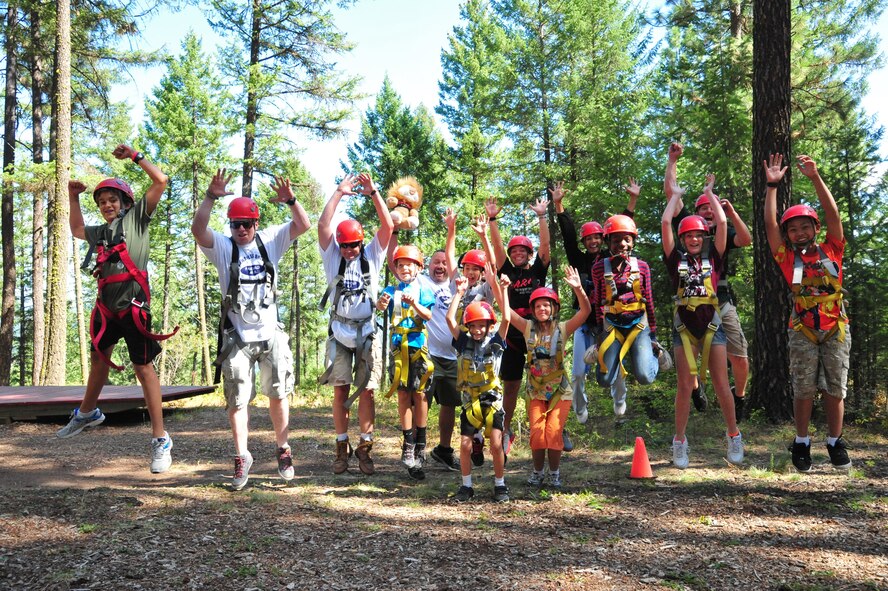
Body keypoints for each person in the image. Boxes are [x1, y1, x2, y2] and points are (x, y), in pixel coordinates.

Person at [58, 144, 176, 474]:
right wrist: (74, 197)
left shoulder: (137, 219)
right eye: (102, 202)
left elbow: (161, 181)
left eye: (112, 200)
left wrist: (136, 156)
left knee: (143, 369)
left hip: (133, 305)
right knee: (99, 361)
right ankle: (87, 413)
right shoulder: (100, 233)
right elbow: (77, 230)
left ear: (125, 202)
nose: (107, 205)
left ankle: (160, 439)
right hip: (106, 307)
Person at [192, 170, 309, 490]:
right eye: (236, 224)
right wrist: (210, 197)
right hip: (238, 335)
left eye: (246, 223)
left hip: (270, 332)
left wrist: (291, 201)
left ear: (256, 224)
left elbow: (303, 225)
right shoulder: (222, 247)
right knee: (237, 399)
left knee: (278, 393)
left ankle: (283, 449)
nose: (241, 229)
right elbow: (198, 230)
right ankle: (242, 456)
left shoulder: (270, 240)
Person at [763, 153, 852, 472]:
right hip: (802, 330)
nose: (799, 233)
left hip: (835, 328)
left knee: (835, 387)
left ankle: (834, 441)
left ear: (815, 228)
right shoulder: (787, 258)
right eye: (794, 230)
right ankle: (801, 442)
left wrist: (815, 177)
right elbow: (770, 225)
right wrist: (772, 186)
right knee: (803, 387)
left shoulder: (832, 249)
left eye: (805, 227)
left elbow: (833, 214)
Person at [665, 143, 752, 420]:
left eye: (710, 210)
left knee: (738, 354)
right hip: (689, 306)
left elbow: (745, 238)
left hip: (720, 303)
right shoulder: (686, 237)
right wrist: (672, 162)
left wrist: (722, 205)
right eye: (702, 209)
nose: (707, 213)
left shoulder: (717, 246)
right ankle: (695, 389)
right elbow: (671, 199)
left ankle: (738, 397)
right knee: (689, 358)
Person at [662, 173, 743, 469]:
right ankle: (680, 441)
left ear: (704, 238)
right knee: (685, 385)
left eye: (698, 235)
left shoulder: (715, 259)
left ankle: (734, 434)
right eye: (689, 236)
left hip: (712, 327)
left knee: (722, 383)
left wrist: (709, 193)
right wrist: (674, 198)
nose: (695, 239)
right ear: (683, 239)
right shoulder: (675, 260)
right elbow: (664, 224)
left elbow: (722, 224)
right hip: (684, 329)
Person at [317, 173, 394, 475]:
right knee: (340, 391)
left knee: (368, 391)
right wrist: (338, 193)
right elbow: (324, 225)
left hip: (366, 333)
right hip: (339, 333)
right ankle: (340, 447)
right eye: (345, 245)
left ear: (362, 243)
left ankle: (365, 447)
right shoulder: (332, 256)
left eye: (354, 245)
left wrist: (373, 192)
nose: (350, 250)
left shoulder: (372, 256)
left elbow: (387, 227)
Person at [551, 179, 646, 422]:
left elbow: (622, 229)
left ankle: (619, 397)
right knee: (579, 370)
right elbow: (568, 235)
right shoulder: (578, 260)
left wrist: (632, 202)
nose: (593, 241)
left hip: (609, 321)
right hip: (585, 320)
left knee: (615, 364)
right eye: (588, 239)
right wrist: (559, 206)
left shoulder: (610, 257)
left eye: (597, 238)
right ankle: (580, 406)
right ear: (584, 243)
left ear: (603, 240)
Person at [509, 266, 590, 488]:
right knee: (537, 433)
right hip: (535, 389)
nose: (542, 308)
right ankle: (537, 471)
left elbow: (585, 312)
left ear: (554, 308)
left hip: (559, 391)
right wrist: (500, 287)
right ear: (532, 310)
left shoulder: (562, 328)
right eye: (538, 306)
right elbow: (507, 312)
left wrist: (578, 289)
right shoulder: (527, 328)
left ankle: (554, 472)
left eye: (546, 305)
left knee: (553, 431)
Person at [486, 195, 551, 457]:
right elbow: (498, 247)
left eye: (522, 250)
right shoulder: (507, 272)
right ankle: (506, 428)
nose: (517, 253)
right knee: (511, 385)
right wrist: (492, 220)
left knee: (545, 381)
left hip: (536, 334)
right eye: (514, 252)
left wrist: (541, 216)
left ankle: (552, 424)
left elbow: (546, 246)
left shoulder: (537, 271)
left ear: (529, 254)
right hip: (512, 334)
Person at [446, 267, 511, 502]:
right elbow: (449, 319)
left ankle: (500, 484)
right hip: (470, 402)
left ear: (489, 326)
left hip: (492, 401)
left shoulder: (495, 344)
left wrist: (503, 291)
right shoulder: (463, 343)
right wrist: (459, 292)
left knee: (495, 445)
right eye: (472, 326)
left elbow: (508, 318)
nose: (476, 330)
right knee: (464, 445)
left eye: (481, 325)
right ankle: (466, 485)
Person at [591, 214, 661, 416]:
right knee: (604, 380)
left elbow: (649, 300)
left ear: (633, 241)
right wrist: (598, 333)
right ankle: (610, 360)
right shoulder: (599, 268)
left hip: (638, 325)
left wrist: (653, 335)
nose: (621, 244)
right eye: (616, 240)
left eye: (626, 239)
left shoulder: (642, 268)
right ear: (608, 242)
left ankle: (655, 354)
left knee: (645, 377)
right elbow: (598, 300)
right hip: (611, 325)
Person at [378, 244, 435, 480]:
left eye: (408, 265)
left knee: (420, 394)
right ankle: (408, 441)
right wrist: (381, 304)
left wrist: (414, 304)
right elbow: (381, 307)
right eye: (400, 265)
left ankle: (421, 440)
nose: (404, 269)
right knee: (403, 394)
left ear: (418, 267)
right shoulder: (391, 289)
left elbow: (428, 315)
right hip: (397, 348)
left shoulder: (423, 290)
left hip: (417, 346)